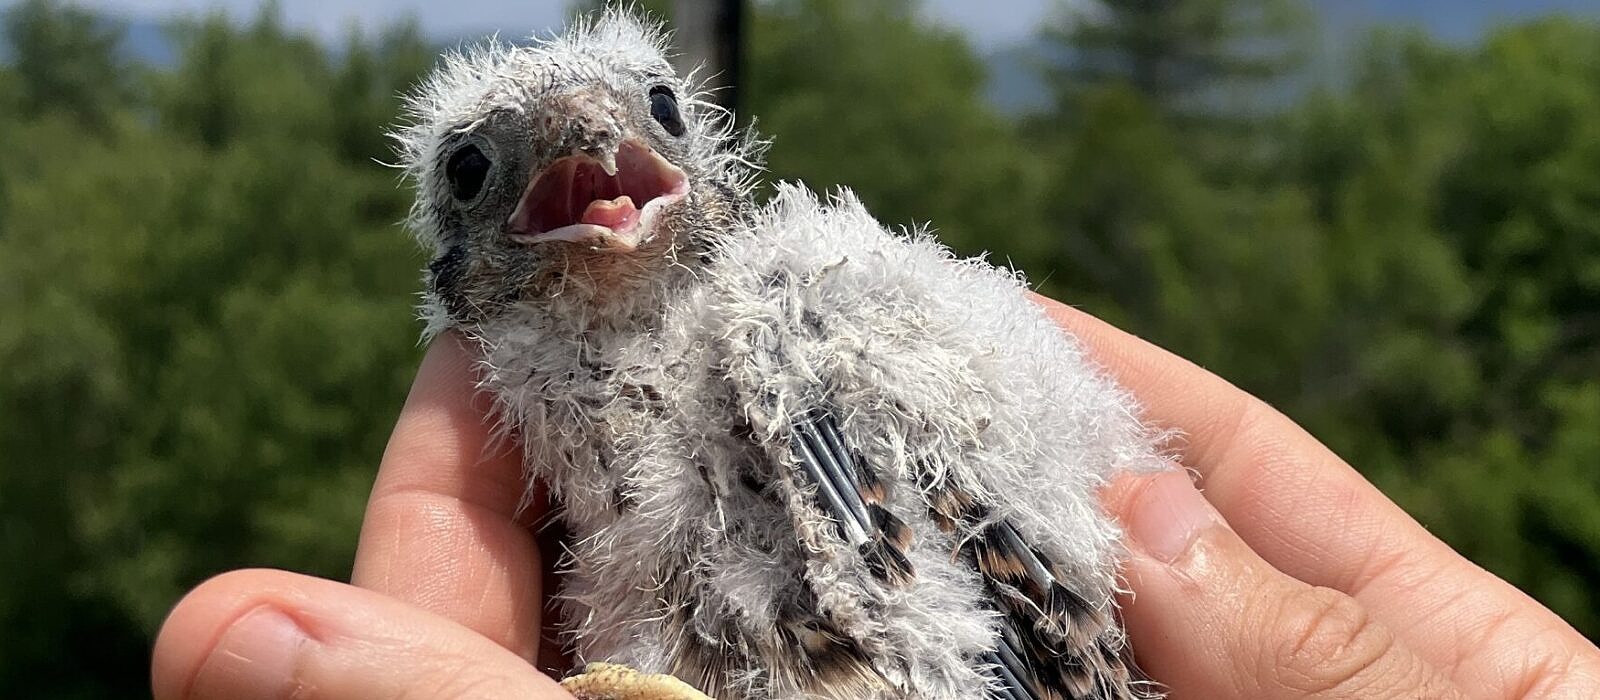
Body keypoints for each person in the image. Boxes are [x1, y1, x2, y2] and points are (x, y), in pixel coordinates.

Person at [148, 297, 1600, 699]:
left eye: (646, 114)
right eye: (489, 173)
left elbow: (1012, 623)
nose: (590, 177)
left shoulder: (803, 300)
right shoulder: (539, 426)